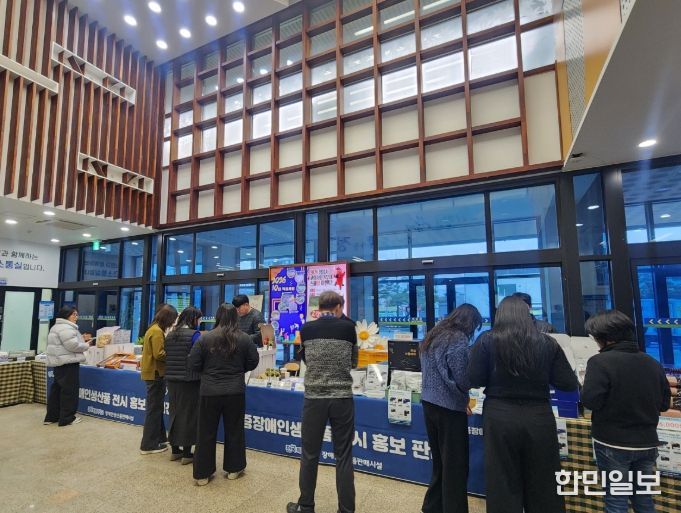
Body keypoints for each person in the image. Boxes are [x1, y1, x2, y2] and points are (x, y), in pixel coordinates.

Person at [468, 296, 578, 513]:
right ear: (528, 315)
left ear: (500, 315)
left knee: (501, 477)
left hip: (499, 415)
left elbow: (474, 378)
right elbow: (567, 383)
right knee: (544, 479)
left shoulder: (487, 340)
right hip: (539, 416)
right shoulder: (548, 343)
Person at [581, 310, 671, 513]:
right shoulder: (652, 362)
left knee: (616, 500)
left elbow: (591, 401)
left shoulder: (599, 362)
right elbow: (664, 404)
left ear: (604, 338)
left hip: (613, 442)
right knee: (643, 499)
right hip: (647, 442)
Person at [287, 291, 358, 513]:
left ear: (319, 307)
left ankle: (306, 506)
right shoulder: (349, 328)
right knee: (343, 455)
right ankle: (346, 509)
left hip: (314, 398)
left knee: (309, 454)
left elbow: (306, 360)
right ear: (337, 307)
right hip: (342, 398)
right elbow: (354, 362)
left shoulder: (306, 328)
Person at [420, 304, 482, 513]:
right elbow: (462, 377)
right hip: (448, 408)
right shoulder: (457, 338)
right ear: (470, 322)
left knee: (440, 462)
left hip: (429, 404)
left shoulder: (434, 334)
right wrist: (468, 391)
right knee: (455, 464)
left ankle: (433, 507)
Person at [189, 303, 259, 486]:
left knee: (205, 432)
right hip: (235, 391)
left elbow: (193, 363)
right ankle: (234, 469)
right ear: (235, 317)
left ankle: (202, 474)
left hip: (209, 391)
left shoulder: (205, 338)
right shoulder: (244, 338)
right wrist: (239, 369)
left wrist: (207, 371)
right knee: (234, 430)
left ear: (217, 316)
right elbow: (253, 361)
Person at [165, 306, 203, 465]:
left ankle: (175, 451)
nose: (199, 322)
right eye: (199, 319)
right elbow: (199, 356)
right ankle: (187, 453)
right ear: (193, 319)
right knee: (189, 415)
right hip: (190, 381)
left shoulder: (170, 334)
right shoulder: (194, 335)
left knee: (174, 413)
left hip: (172, 380)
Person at [139, 303, 178, 455]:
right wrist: (174, 355)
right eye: (172, 319)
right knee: (154, 410)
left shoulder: (153, 328)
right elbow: (159, 354)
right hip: (155, 374)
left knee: (156, 408)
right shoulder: (157, 331)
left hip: (153, 373)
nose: (173, 322)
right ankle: (148, 445)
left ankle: (160, 438)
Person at [44, 306, 90, 426]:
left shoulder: (56, 326)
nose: (76, 317)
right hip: (68, 363)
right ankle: (67, 418)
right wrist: (86, 345)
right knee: (69, 391)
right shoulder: (66, 327)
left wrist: (81, 339)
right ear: (66, 315)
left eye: (77, 314)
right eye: (73, 314)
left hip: (59, 363)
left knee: (57, 390)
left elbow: (65, 343)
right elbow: (72, 346)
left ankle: (51, 417)